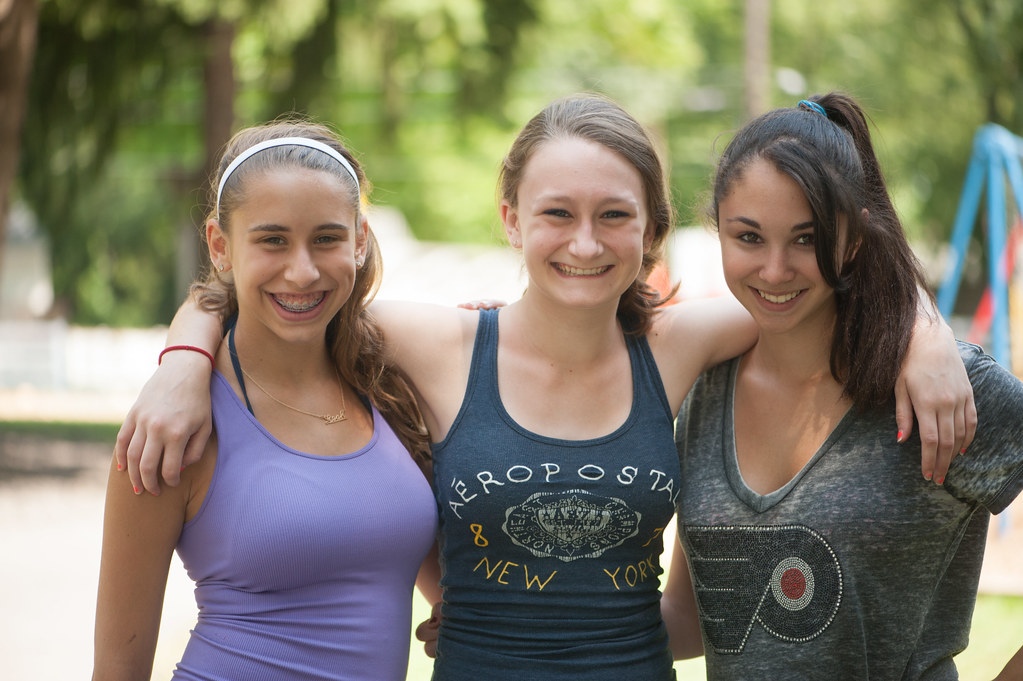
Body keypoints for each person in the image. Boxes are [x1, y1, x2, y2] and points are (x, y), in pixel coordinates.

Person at [112, 95, 975, 680]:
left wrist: (926, 335)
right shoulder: (433, 341)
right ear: (511, 217)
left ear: (652, 232)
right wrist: (185, 357)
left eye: (614, 216)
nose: (585, 244)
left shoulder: (680, 343)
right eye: (557, 212)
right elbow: (277, 290)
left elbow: (828, 285)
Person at [661, 94, 1023, 679]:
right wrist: (522, 623)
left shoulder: (940, 384)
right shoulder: (705, 392)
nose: (775, 270)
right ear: (719, 233)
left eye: (806, 239)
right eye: (748, 237)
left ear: (854, 238)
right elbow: (693, 614)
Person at [92, 121, 438, 681]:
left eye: (326, 238)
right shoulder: (173, 424)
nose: (301, 271)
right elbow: (116, 669)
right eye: (272, 239)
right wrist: (183, 361)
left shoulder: (388, 382)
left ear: (359, 240)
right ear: (220, 246)